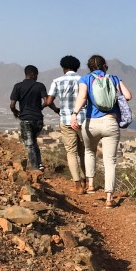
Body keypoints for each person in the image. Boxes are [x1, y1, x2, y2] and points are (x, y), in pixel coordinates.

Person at [70, 54, 132, 208]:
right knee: (110, 161)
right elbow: (128, 96)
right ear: (105, 66)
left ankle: (91, 185)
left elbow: (82, 97)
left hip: (91, 123)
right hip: (110, 123)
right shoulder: (114, 78)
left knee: (89, 151)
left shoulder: (86, 79)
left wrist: (74, 114)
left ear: (89, 67)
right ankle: (109, 198)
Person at [45, 56, 86, 194]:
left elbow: (49, 100)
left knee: (71, 152)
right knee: (84, 152)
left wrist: (57, 110)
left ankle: (78, 185)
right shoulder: (83, 80)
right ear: (77, 67)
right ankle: (87, 182)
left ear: (63, 68)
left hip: (66, 120)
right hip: (83, 120)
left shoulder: (57, 81)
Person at [10, 65, 57, 171]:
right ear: (32, 74)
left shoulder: (17, 86)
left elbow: (12, 105)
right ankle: (39, 163)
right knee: (34, 141)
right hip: (38, 120)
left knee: (29, 144)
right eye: (36, 75)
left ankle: (35, 169)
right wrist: (40, 107)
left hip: (25, 119)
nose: (36, 77)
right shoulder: (40, 86)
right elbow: (47, 101)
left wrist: (16, 112)